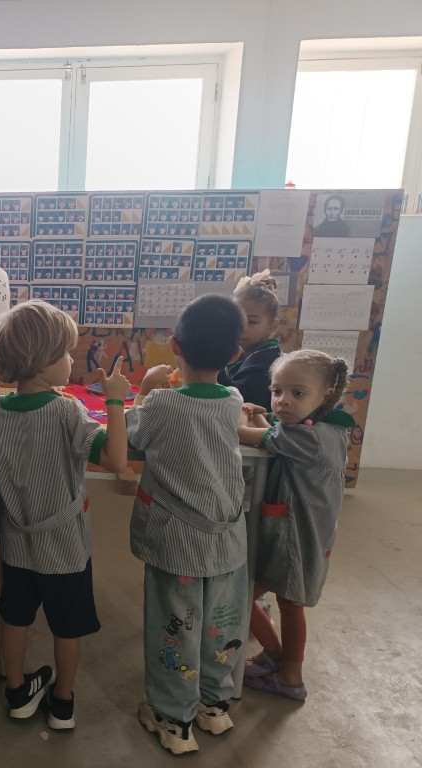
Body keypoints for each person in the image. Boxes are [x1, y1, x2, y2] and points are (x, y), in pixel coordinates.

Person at [0, 300, 131, 731]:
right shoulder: (67, 410)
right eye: (66, 353)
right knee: (67, 627)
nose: (71, 360)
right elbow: (116, 458)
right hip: (65, 549)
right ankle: (63, 703)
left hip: (16, 544)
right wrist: (116, 401)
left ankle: (17, 692)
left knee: (15, 618)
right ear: (41, 360)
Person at [126, 295, 247, 756]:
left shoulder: (161, 402)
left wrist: (143, 390)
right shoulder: (233, 399)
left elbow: (133, 434)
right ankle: (213, 705)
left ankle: (173, 718)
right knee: (220, 622)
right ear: (235, 354)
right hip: (226, 542)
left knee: (174, 626)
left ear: (175, 345)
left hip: (177, 544)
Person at [237, 349, 352, 701]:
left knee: (245, 596)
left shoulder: (308, 437)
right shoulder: (327, 428)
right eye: (276, 391)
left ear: (325, 396)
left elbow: (253, 437)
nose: (283, 401)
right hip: (306, 532)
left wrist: (233, 419)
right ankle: (279, 661)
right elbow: (277, 439)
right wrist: (261, 415)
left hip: (295, 537)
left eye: (297, 393)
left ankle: (287, 673)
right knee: (286, 602)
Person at [218, 270, 282, 410]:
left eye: (251, 322)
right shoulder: (242, 354)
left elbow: (237, 399)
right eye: (236, 320)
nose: (241, 328)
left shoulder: (268, 360)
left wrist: (212, 366)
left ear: (272, 326)